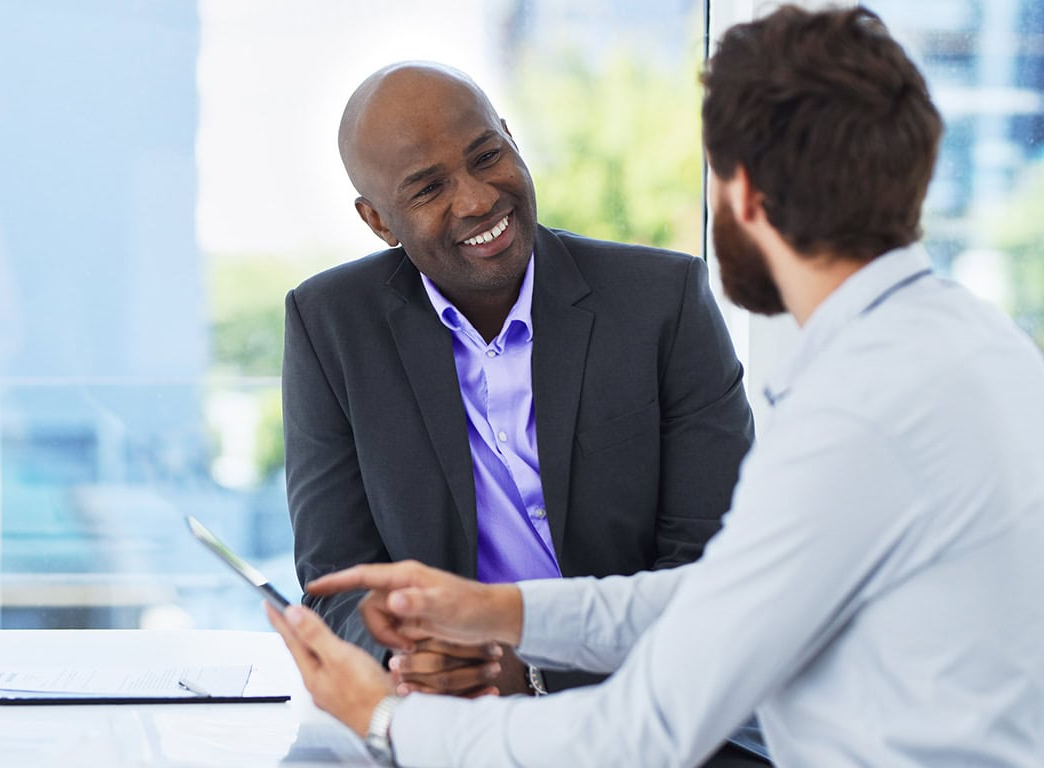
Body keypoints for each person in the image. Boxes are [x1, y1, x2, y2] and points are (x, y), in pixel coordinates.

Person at [269, 5, 1044, 767]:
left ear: (742, 194)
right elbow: (726, 597)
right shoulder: (977, 349)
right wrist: (497, 613)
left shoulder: (853, 414)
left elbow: (647, 729)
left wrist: (387, 721)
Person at [283, 52, 755, 713]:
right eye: (427, 188)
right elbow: (336, 582)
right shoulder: (328, 324)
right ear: (378, 221)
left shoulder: (663, 302)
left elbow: (717, 569)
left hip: (650, 710)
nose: (477, 199)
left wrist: (530, 673)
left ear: (509, 135)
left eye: (485, 155)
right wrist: (410, 658)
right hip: (448, 721)